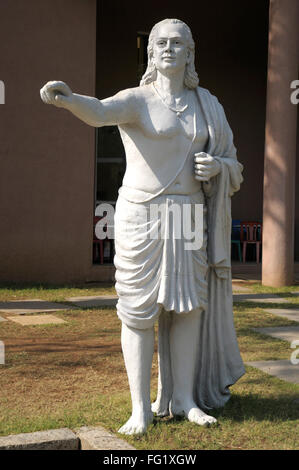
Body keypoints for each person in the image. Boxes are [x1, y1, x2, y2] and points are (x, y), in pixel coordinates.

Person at [40, 18, 245, 435]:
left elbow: (234, 164)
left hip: (188, 213)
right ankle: (141, 407)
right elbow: (98, 112)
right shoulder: (137, 99)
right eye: (161, 43)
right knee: (137, 311)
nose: (168, 49)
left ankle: (185, 399)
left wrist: (218, 166)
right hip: (142, 214)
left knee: (186, 307)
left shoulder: (208, 104)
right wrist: (68, 99)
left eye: (177, 43)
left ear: (190, 52)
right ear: (151, 53)